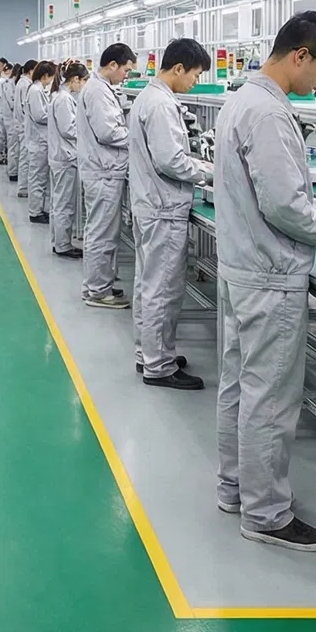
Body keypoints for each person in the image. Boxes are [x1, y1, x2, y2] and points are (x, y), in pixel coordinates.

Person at [214, 12, 316, 552]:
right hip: (270, 272)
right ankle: (266, 513)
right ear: (301, 55)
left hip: (244, 266)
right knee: (271, 398)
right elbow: (283, 204)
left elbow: (287, 190)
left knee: (242, 384)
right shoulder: (268, 114)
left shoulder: (244, 99)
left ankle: (236, 486)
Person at [127, 39, 215, 390]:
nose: (195, 81)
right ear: (178, 68)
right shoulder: (161, 105)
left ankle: (148, 353)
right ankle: (158, 366)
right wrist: (208, 172)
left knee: (148, 284)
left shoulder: (150, 98)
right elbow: (171, 160)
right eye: (194, 74)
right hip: (162, 208)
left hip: (152, 204)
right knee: (161, 288)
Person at [78, 44, 136, 309]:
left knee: (101, 231)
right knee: (101, 233)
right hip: (103, 173)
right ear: (112, 65)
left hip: (104, 171)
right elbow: (108, 133)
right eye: (126, 69)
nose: (126, 75)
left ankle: (97, 285)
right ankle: (98, 292)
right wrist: (139, 137)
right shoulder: (98, 91)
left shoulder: (101, 89)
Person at [49, 61, 88, 259]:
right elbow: (68, 129)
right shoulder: (64, 99)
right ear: (75, 80)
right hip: (65, 157)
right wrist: (87, 131)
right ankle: (63, 245)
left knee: (59, 202)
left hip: (60, 156)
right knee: (65, 203)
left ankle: (59, 242)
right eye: (83, 82)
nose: (83, 87)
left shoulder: (60, 96)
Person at [23, 60, 57, 224]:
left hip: (40, 140)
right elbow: (40, 116)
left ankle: (39, 209)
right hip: (38, 141)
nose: (52, 80)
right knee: (37, 178)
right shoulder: (36, 91)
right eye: (51, 76)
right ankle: (35, 212)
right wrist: (56, 114)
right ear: (45, 75)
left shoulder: (37, 89)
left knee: (41, 178)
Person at [9, 61, 35, 184]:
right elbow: (26, 106)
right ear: (30, 70)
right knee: (25, 157)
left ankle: (22, 183)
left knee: (21, 153)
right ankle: (23, 187)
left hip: (20, 123)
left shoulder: (22, 82)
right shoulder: (25, 85)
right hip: (24, 124)